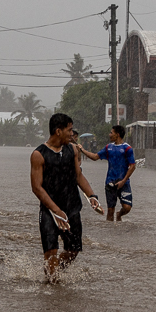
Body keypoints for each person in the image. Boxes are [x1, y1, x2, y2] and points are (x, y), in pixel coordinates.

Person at [30, 113, 103, 283]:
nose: (72, 134)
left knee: (73, 250)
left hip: (72, 208)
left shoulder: (73, 150)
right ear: (58, 131)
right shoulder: (38, 154)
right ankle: (52, 288)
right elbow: (36, 187)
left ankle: (56, 276)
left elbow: (78, 176)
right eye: (69, 130)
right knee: (50, 254)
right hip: (50, 211)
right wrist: (56, 210)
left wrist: (92, 196)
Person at [78, 124, 136, 222]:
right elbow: (95, 157)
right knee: (110, 210)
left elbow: (132, 166)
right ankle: (110, 231)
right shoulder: (108, 148)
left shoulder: (127, 149)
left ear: (117, 134)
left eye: (111, 133)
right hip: (110, 182)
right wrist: (82, 150)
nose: (109, 135)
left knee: (127, 207)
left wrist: (123, 180)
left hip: (123, 183)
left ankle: (119, 214)